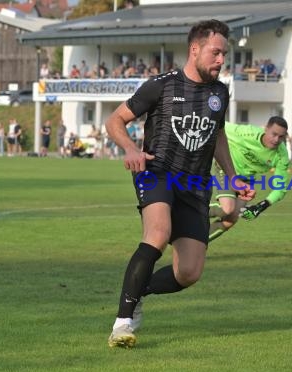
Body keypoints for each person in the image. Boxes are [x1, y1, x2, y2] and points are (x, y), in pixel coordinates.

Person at [105, 19, 254, 349]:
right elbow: (115, 120)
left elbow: (217, 136)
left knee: (189, 272)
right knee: (156, 235)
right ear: (195, 49)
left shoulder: (220, 92)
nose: (220, 61)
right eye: (216, 53)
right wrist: (131, 149)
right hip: (157, 172)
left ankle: (139, 287)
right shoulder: (161, 85)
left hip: (197, 184)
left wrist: (232, 176)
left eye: (224, 55)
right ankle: (122, 322)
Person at [208, 116, 290, 242]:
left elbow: (280, 189)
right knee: (228, 209)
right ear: (266, 129)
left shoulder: (281, 156)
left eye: (281, 137)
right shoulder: (245, 133)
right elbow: (218, 124)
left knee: (232, 218)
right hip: (227, 169)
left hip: (246, 180)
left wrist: (262, 206)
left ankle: (196, 245)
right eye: (274, 134)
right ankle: (187, 209)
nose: (276, 140)